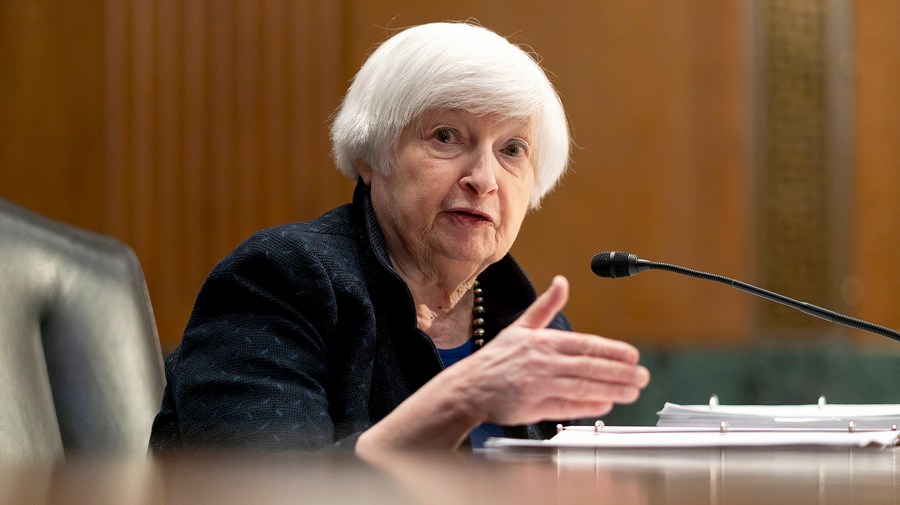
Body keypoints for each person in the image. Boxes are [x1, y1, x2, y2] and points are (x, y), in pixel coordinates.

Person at [149, 21, 650, 456]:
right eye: (447, 137)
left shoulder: (530, 323)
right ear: (372, 156)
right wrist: (463, 399)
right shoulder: (281, 282)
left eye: (512, 149)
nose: (484, 178)